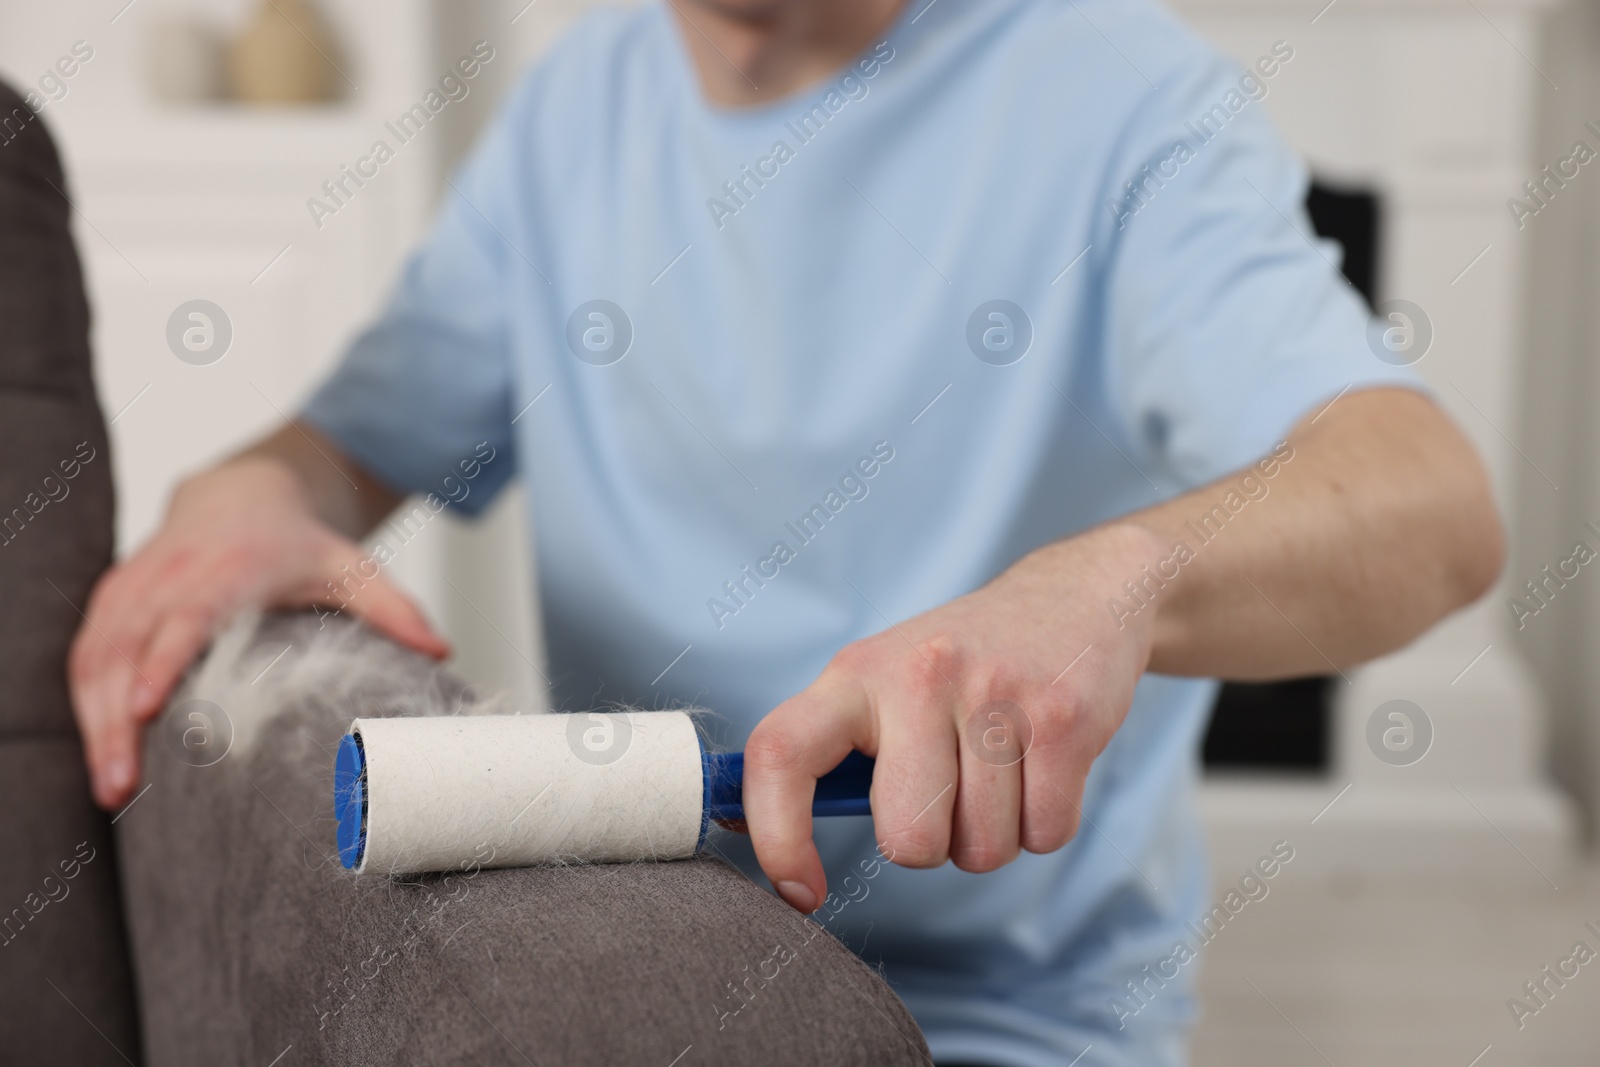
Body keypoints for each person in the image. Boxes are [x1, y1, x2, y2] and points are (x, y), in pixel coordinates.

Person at [70, 0, 1502, 1062]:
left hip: (1000, 1027)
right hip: (634, 970)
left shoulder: (1127, 96)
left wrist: (1118, 580)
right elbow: (345, 448)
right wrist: (257, 493)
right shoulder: (579, 107)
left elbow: (1429, 503)